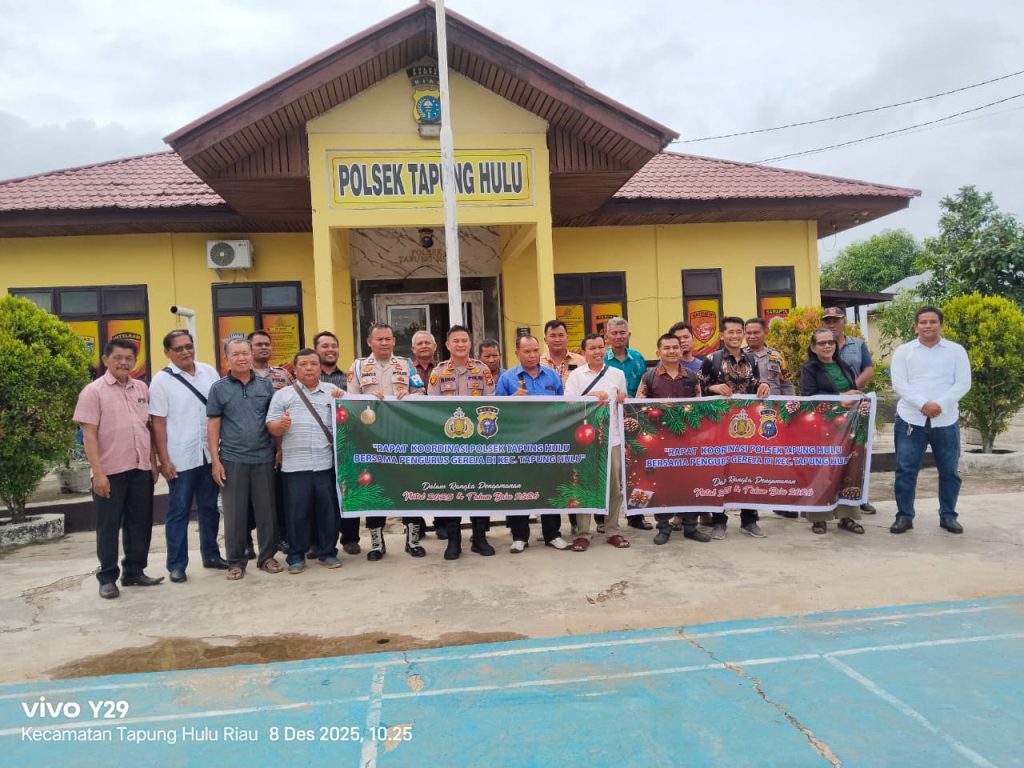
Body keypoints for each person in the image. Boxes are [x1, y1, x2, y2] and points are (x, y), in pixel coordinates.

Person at [74, 339, 163, 598]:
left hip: (140, 468)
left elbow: (146, 428)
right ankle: (107, 577)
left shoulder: (141, 388)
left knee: (140, 523)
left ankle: (134, 571)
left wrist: (152, 461)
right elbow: (89, 436)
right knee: (108, 526)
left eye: (129, 358)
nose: (124, 362)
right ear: (105, 360)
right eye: (118, 357)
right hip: (109, 471)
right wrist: (97, 473)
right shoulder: (93, 391)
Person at [149, 330, 227, 583]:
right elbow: (157, 423)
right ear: (167, 353)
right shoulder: (161, 381)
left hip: (209, 455)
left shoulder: (209, 372)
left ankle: (211, 555)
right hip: (180, 457)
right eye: (178, 348)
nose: (185, 352)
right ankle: (176, 564)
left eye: (188, 346)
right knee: (179, 511)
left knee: (210, 509)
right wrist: (164, 460)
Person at [889, 306, 972, 535]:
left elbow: (963, 383)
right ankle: (904, 516)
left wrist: (940, 405)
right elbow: (899, 383)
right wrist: (923, 403)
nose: (928, 326)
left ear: (941, 325)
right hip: (910, 419)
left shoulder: (955, 351)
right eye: (923, 322)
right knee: (905, 470)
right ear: (916, 326)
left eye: (932, 322)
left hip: (945, 420)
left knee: (949, 471)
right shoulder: (904, 352)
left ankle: (948, 515)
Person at [347, 322, 427, 559]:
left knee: (409, 486)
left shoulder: (405, 364)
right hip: (370, 439)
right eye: (379, 339)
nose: (384, 343)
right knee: (374, 487)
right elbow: (349, 399)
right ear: (369, 342)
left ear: (394, 341)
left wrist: (410, 394)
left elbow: (422, 393)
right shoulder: (359, 366)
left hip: (402, 437)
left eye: (388, 339)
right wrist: (365, 397)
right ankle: (376, 544)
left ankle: (412, 541)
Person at [207, 337, 282, 580]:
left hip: (263, 457)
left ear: (251, 356)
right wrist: (215, 461)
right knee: (234, 514)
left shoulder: (265, 386)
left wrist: (278, 448)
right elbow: (213, 426)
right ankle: (236, 562)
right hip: (232, 459)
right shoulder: (219, 388)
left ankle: (267, 557)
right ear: (226, 358)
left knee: (267, 511)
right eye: (235, 354)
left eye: (245, 353)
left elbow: (273, 420)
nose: (241, 358)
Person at [266, 348, 343, 573]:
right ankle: (296, 556)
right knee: (296, 513)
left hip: (325, 464)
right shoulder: (283, 395)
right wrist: (280, 426)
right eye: (303, 364)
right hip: (294, 466)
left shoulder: (333, 392)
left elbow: (355, 412)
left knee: (328, 512)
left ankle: (327, 552)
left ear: (320, 367)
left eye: (313, 364)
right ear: (295, 368)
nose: (309, 368)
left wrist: (349, 400)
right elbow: (270, 424)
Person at [496, 335, 571, 552]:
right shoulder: (507, 379)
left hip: (548, 442)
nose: (532, 355)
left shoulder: (552, 376)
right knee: (520, 488)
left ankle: (553, 534)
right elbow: (496, 413)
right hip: (518, 443)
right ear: (517, 353)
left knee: (549, 488)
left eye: (535, 350)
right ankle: (520, 536)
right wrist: (513, 400)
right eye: (527, 351)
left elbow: (563, 408)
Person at [426, 325, 496, 559]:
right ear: (447, 345)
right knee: (451, 490)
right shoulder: (438, 373)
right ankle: (453, 540)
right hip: (449, 444)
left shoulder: (482, 369)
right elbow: (431, 410)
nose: (460, 344)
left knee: (480, 488)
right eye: (455, 340)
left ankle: (479, 538)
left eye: (464, 340)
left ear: (470, 343)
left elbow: (492, 405)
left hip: (477, 442)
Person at [700, 316, 771, 539]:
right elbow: (698, 390)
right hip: (719, 427)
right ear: (722, 335)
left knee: (748, 470)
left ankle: (749, 520)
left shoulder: (751, 359)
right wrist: (713, 387)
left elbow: (756, 383)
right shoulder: (712, 359)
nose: (735, 336)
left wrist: (764, 385)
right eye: (730, 332)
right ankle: (719, 521)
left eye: (739, 332)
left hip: (746, 427)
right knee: (720, 471)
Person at [636, 334, 711, 546]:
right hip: (659, 441)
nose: (671, 351)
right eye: (666, 348)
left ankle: (690, 527)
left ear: (681, 350)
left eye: (675, 347)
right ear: (658, 352)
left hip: (687, 441)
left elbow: (698, 407)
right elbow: (639, 408)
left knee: (688, 482)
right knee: (662, 484)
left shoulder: (691, 377)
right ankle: (663, 527)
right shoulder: (649, 377)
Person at [564, 333, 631, 550]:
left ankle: (612, 530)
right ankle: (583, 533)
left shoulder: (617, 374)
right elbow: (569, 406)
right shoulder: (575, 376)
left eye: (600, 347)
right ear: (584, 352)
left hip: (612, 438)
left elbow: (624, 402)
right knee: (585, 486)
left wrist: (623, 399)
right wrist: (591, 396)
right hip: (585, 439)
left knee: (615, 487)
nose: (597, 351)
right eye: (592, 348)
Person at [799, 328, 866, 535]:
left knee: (847, 469)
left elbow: (853, 392)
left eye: (831, 342)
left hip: (847, 429)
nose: (827, 346)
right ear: (813, 347)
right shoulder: (810, 369)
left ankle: (847, 516)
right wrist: (841, 396)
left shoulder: (844, 366)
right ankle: (819, 518)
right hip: (822, 427)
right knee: (822, 471)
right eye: (822, 343)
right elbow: (809, 396)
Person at [822, 306, 878, 515]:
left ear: (843, 321)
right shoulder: (821, 346)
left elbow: (869, 368)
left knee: (858, 452)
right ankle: (829, 495)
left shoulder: (858, 344)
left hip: (856, 407)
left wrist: (851, 388)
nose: (832, 324)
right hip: (831, 408)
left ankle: (860, 497)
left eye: (835, 320)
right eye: (827, 321)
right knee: (832, 454)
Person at [744, 317, 799, 520]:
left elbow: (786, 383)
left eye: (755, 332)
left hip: (776, 415)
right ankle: (751, 506)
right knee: (752, 461)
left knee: (778, 460)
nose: (751, 336)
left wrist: (790, 409)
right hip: (748, 416)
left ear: (765, 333)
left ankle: (782, 503)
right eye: (748, 333)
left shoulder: (777, 355)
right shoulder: (739, 356)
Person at [603, 316, 652, 530]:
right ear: (607, 337)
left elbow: (645, 386)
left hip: (636, 418)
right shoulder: (601, 358)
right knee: (611, 470)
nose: (618, 336)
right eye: (614, 333)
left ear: (629, 335)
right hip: (610, 420)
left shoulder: (639, 358)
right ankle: (604, 518)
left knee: (637, 469)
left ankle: (636, 515)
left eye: (622, 333)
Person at [315, 330, 359, 554]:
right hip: (318, 443)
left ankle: (350, 538)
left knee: (349, 488)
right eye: (325, 346)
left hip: (347, 441)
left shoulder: (349, 377)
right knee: (322, 495)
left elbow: (360, 403)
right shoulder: (308, 377)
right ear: (316, 350)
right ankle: (320, 542)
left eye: (334, 345)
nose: (330, 350)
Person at [247, 329, 290, 554]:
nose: (264, 348)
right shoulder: (241, 374)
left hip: (278, 442)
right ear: (249, 348)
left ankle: (281, 537)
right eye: (258, 344)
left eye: (267, 344)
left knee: (278, 493)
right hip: (251, 442)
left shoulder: (282, 375)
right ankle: (246, 541)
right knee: (249, 496)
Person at [540, 319, 586, 384]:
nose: (557, 339)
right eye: (552, 336)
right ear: (545, 340)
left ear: (567, 338)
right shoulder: (538, 363)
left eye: (561, 335)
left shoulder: (581, 361)